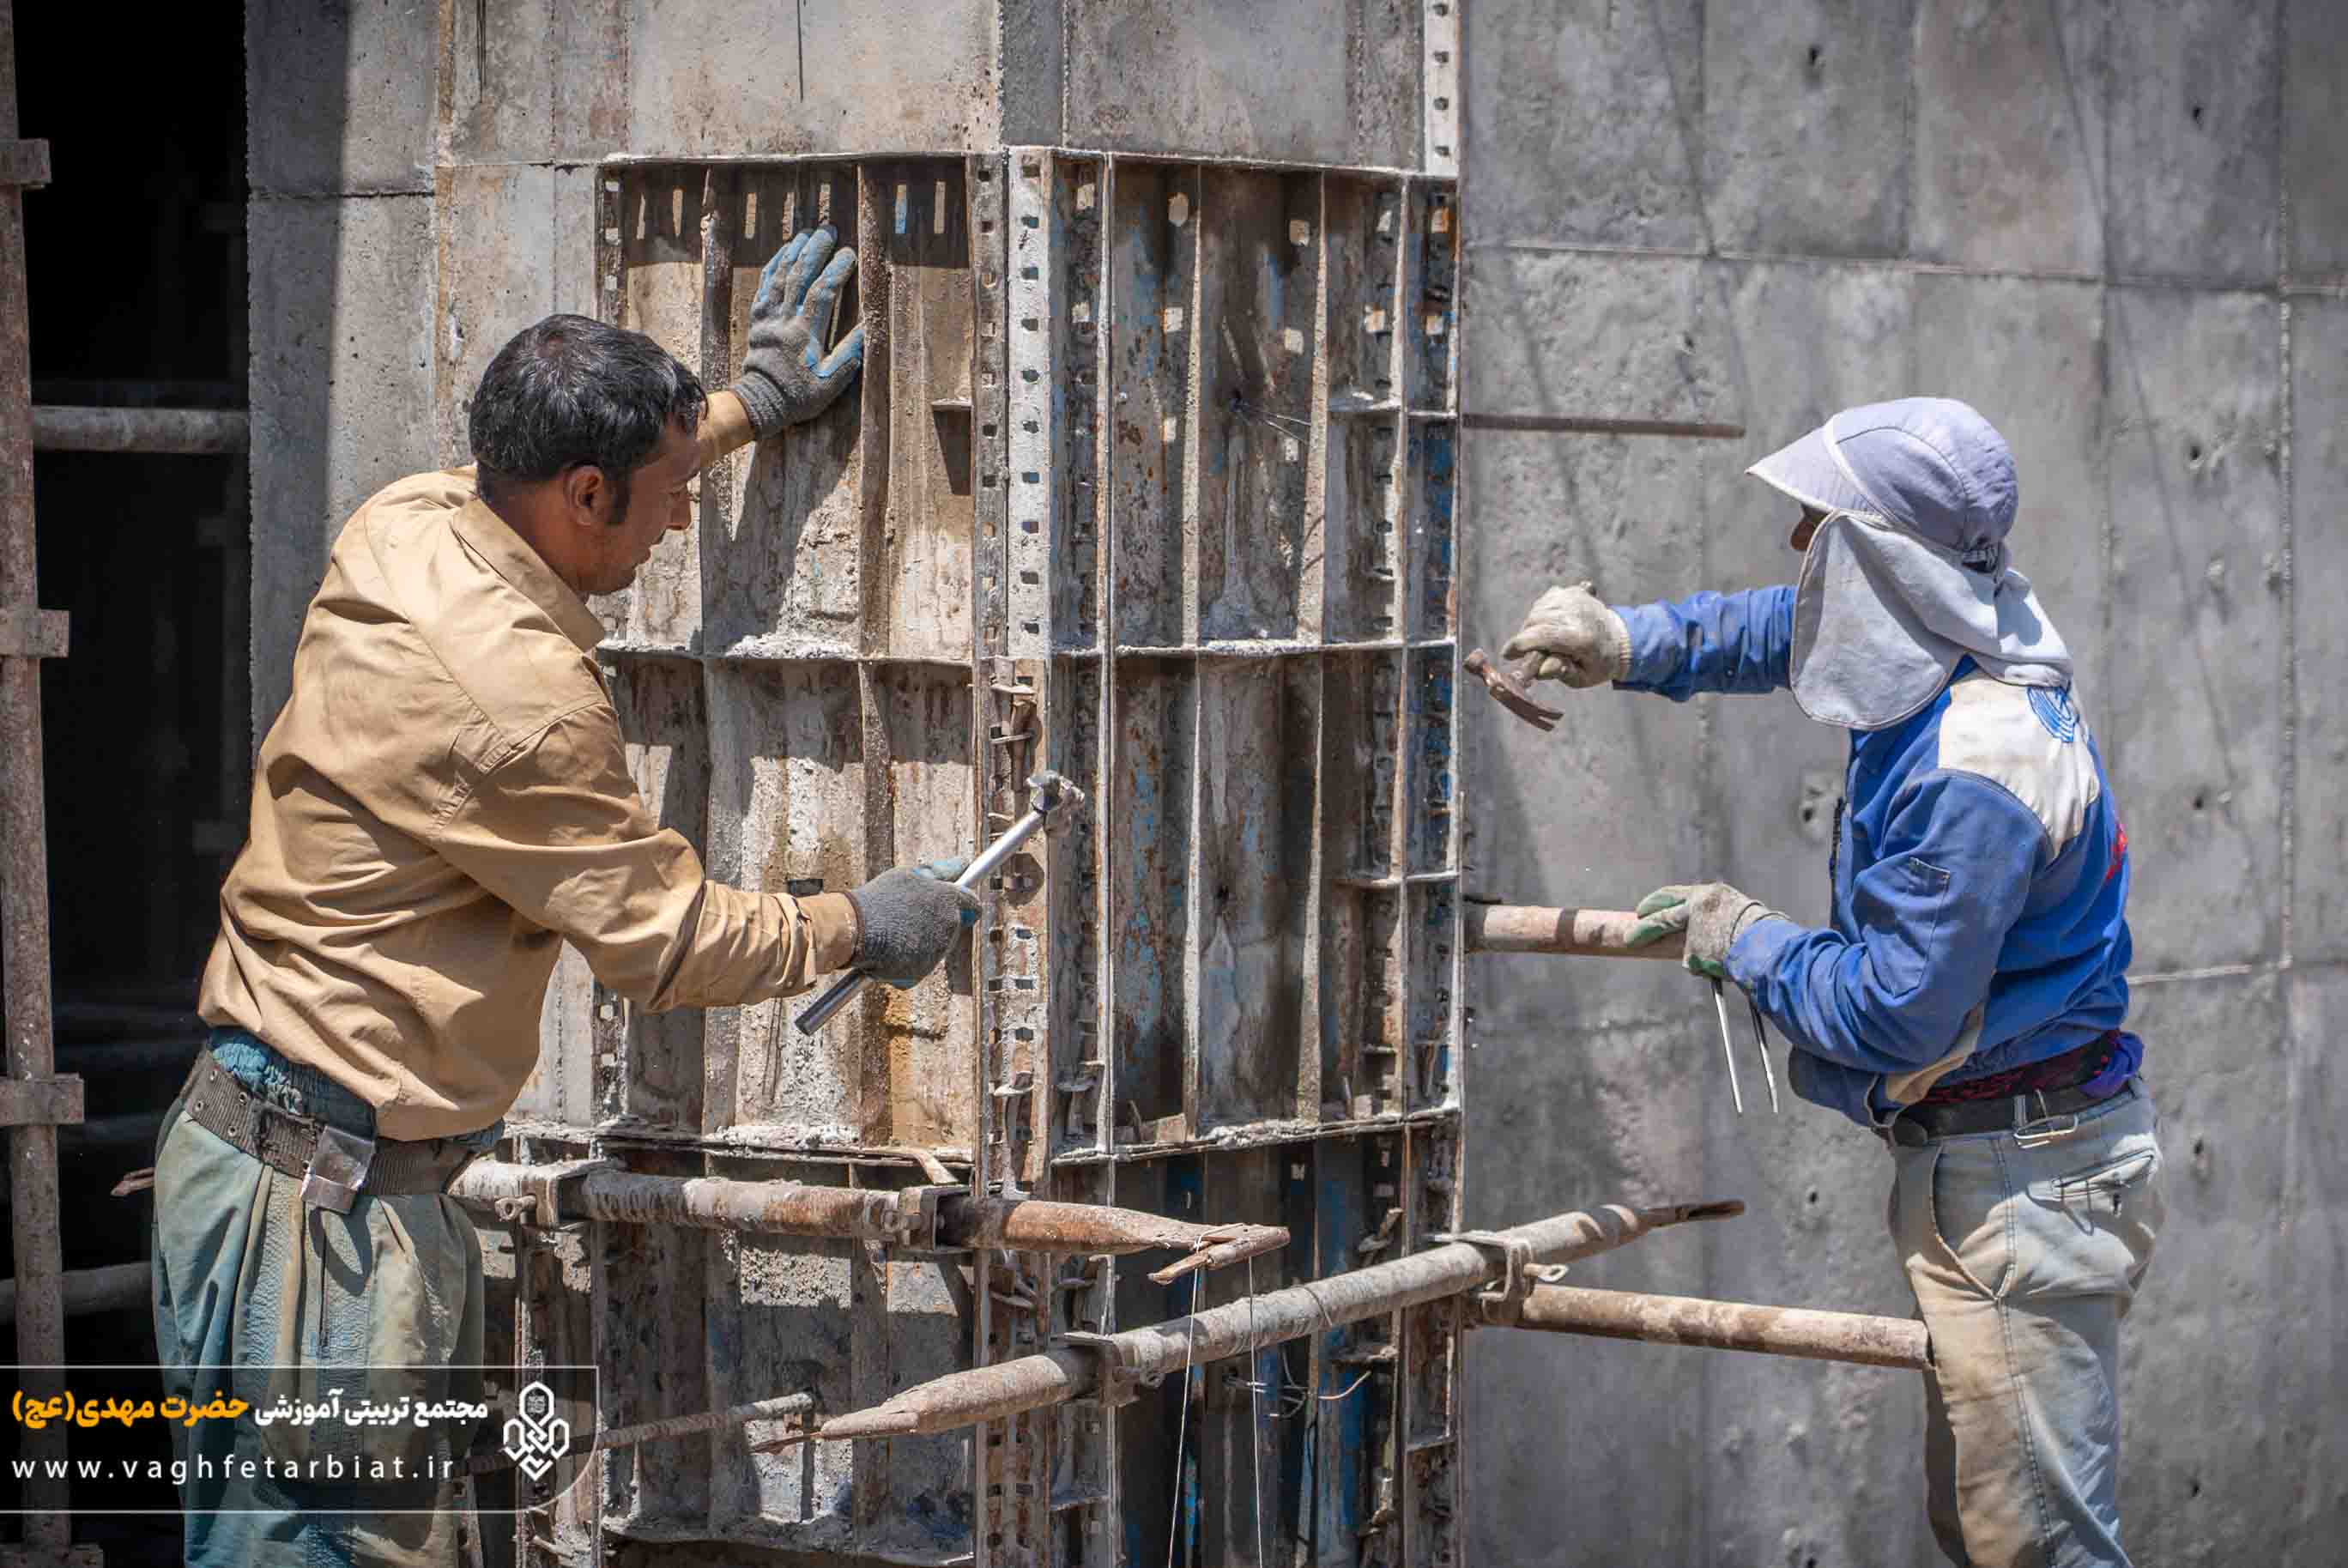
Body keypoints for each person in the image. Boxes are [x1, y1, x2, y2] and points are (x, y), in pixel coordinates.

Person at [151, 226, 976, 1565]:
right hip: (324, 1227)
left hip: (261, 1161)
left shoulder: (412, 520)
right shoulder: (519, 705)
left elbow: (595, 474)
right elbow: (666, 941)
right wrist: (862, 926)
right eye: (667, 496)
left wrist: (746, 407)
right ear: (585, 493)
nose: (680, 520)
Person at [1503, 397, 2163, 1568]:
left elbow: (1895, 1011)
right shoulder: (1962, 627)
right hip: (2015, 1161)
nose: (1796, 543)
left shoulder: (1976, 770)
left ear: (1882, 557)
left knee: (2038, 1550)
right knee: (1987, 1526)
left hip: (2022, 1186)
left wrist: (1744, 937)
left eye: (1818, 525)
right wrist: (1632, 641)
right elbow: (1789, 626)